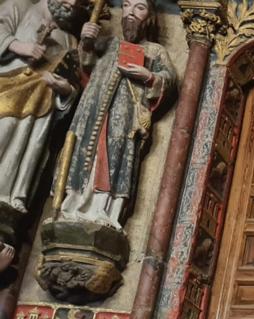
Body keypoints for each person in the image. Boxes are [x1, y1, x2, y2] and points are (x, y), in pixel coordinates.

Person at [58, 0, 175, 229]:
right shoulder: (107, 43)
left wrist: (148, 76)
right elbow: (85, 65)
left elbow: (169, 81)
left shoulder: (154, 50)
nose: (131, 12)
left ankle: (105, 209)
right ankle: (72, 205)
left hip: (125, 119)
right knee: (82, 153)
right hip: (90, 113)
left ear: (149, 17)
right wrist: (87, 41)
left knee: (116, 158)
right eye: (127, 6)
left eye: (139, 8)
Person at [0, 0, 86, 215]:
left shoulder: (69, 39)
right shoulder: (18, 6)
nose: (71, 2)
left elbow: (72, 86)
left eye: (79, 1)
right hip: (6, 91)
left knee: (26, 149)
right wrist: (16, 45)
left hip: (40, 109)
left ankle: (10, 197)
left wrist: (62, 87)